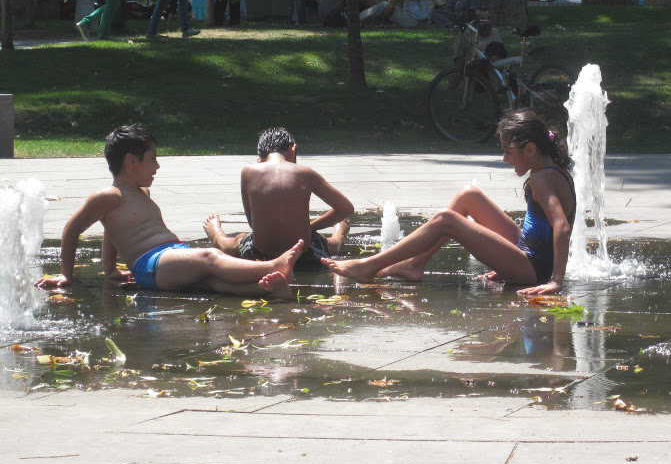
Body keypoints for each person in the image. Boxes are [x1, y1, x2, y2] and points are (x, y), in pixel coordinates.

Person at [322, 110, 575, 297]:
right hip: (529, 256)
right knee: (469, 195)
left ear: (530, 149)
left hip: (534, 269)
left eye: (508, 151)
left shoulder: (542, 179)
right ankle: (415, 263)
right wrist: (505, 260)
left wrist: (555, 282)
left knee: (446, 219)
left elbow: (562, 227)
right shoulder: (551, 171)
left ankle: (369, 265)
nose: (504, 158)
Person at [34, 125, 301, 298]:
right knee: (210, 256)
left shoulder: (141, 193)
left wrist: (110, 269)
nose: (157, 166)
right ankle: (271, 266)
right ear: (131, 161)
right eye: (153, 158)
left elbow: (111, 232)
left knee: (212, 281)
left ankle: (270, 289)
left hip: (171, 255)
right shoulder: (109, 195)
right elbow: (72, 229)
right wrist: (66, 274)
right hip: (150, 265)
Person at [203, 127, 353, 270]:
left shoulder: (248, 172)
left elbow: (253, 224)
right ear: (293, 148)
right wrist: (309, 228)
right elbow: (345, 208)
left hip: (259, 255)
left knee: (237, 240)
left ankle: (216, 235)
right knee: (329, 243)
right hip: (304, 255)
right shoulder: (306, 173)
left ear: (260, 158)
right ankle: (339, 236)